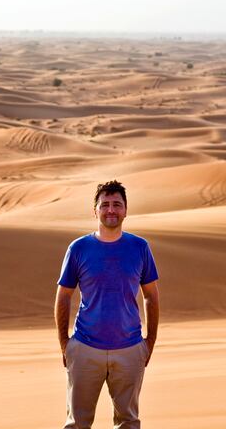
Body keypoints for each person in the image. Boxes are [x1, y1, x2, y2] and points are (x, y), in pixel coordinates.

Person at [54, 180, 160, 429]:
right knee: (77, 423)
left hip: (130, 349)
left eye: (117, 205)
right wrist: (65, 345)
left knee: (128, 422)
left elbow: (151, 296)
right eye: (105, 205)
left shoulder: (140, 247)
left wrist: (149, 342)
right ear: (95, 210)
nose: (111, 210)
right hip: (85, 348)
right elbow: (63, 296)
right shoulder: (79, 248)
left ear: (125, 209)